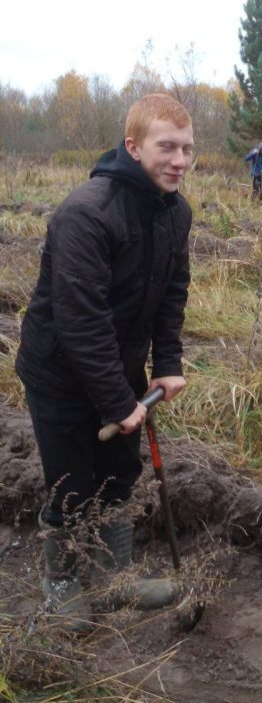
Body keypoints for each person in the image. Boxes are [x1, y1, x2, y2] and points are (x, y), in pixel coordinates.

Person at [16, 93, 194, 630]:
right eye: (167, 147)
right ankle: (63, 583)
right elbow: (79, 320)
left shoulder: (175, 211)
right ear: (133, 146)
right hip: (60, 373)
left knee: (120, 473)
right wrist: (119, 402)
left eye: (187, 149)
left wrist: (166, 360)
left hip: (120, 364)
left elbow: (172, 293)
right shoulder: (86, 213)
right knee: (73, 482)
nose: (179, 161)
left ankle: (114, 582)